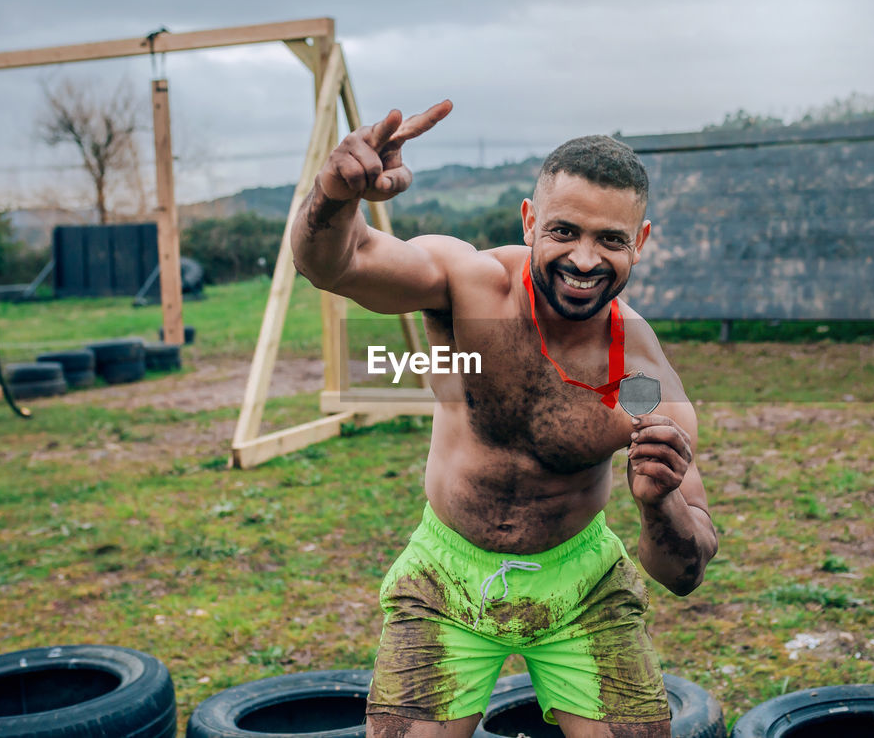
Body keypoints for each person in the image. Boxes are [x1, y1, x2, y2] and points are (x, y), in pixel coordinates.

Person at [291, 99, 717, 738]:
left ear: (641, 243)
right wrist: (335, 193)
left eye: (611, 240)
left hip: (584, 586)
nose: (583, 260)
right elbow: (332, 265)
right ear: (529, 221)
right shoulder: (469, 285)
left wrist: (661, 506)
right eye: (565, 231)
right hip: (444, 572)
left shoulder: (642, 383)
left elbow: (682, 572)